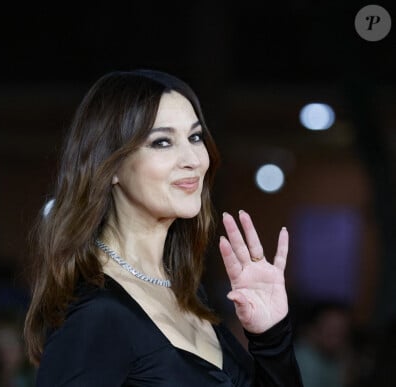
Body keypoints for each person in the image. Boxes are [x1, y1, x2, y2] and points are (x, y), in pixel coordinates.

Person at [23, 69, 303, 386]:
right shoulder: (96, 316)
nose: (194, 159)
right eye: (162, 142)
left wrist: (271, 337)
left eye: (195, 137)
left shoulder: (183, 291)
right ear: (111, 165)